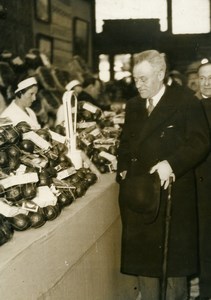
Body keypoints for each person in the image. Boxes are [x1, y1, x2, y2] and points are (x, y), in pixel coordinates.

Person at [116, 50, 210, 300]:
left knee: (175, 270)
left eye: (144, 79)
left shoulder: (185, 101)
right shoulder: (134, 106)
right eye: (136, 79)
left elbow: (200, 142)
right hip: (142, 196)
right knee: (145, 267)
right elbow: (124, 143)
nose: (139, 85)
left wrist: (172, 164)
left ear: (160, 74)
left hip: (173, 197)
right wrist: (124, 168)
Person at [195, 62, 211, 300]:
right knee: (205, 238)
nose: (206, 82)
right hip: (202, 183)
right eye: (202, 78)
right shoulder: (193, 107)